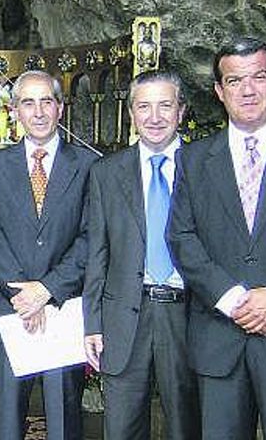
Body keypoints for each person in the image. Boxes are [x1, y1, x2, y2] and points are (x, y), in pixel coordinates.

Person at [168, 37, 266, 440]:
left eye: (258, 77)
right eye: (234, 81)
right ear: (219, 91)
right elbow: (182, 237)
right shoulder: (193, 159)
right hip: (219, 337)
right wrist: (234, 300)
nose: (247, 90)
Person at [0, 70, 96, 440]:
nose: (39, 111)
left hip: (63, 307)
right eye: (28, 102)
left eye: (47, 101)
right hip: (12, 310)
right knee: (10, 418)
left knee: (63, 416)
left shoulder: (90, 166)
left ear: (60, 108)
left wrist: (46, 289)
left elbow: (91, 237)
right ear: (15, 111)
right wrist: (22, 294)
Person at [83, 71, 200, 439]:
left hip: (187, 314)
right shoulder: (106, 172)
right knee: (121, 427)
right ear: (131, 112)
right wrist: (93, 322)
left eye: (165, 105)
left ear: (181, 111)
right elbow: (97, 252)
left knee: (186, 424)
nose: (155, 116)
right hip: (124, 317)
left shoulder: (205, 165)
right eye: (144, 106)